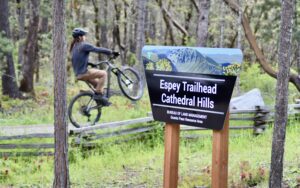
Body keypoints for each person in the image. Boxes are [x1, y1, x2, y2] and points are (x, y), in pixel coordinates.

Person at [70, 28, 119, 106]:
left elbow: (78, 60)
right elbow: (97, 49)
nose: (85, 37)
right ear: (80, 37)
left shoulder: (74, 48)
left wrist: (90, 64)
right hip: (84, 73)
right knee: (103, 74)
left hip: (78, 75)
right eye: (84, 35)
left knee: (97, 85)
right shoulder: (83, 45)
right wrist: (111, 52)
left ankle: (99, 102)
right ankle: (99, 97)